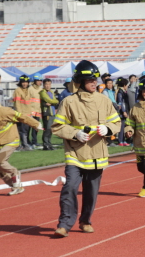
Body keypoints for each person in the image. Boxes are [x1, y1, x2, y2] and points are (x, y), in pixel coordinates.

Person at [51, 60, 121, 238]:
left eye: (95, 79)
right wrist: (75, 133)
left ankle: (85, 220)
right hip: (75, 153)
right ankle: (64, 224)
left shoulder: (104, 100)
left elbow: (117, 122)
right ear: (81, 81)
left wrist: (108, 129)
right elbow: (57, 126)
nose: (94, 83)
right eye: (90, 80)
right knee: (70, 187)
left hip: (97, 154)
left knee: (91, 191)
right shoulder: (68, 102)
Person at [13, 75, 35, 150]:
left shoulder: (28, 90)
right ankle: (24, 145)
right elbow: (17, 103)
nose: (24, 84)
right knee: (23, 131)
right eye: (23, 82)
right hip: (22, 114)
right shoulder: (18, 90)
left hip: (28, 114)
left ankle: (23, 145)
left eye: (26, 82)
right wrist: (20, 114)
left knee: (26, 131)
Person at [39, 79, 59, 151]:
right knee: (47, 129)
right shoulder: (42, 92)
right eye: (46, 84)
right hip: (47, 113)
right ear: (43, 85)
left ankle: (49, 144)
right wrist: (55, 102)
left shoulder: (51, 92)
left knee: (50, 129)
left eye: (49, 84)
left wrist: (54, 102)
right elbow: (49, 100)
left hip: (52, 112)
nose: (48, 86)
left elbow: (54, 101)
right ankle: (46, 145)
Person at [115, 77, 130, 146]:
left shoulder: (123, 92)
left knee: (124, 126)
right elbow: (120, 103)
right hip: (122, 112)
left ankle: (124, 140)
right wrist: (123, 111)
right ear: (124, 85)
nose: (127, 86)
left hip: (125, 111)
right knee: (121, 126)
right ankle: (120, 140)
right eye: (126, 85)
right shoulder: (120, 92)